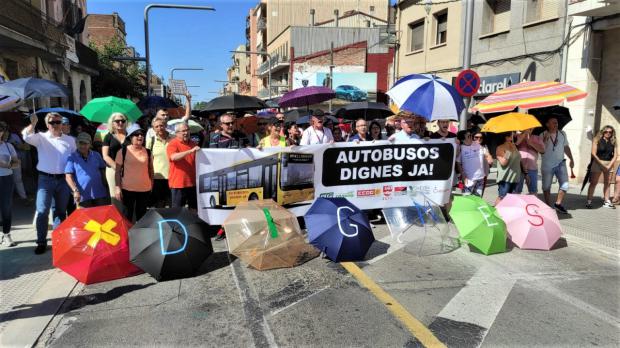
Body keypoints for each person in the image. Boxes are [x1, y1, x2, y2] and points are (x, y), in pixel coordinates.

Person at [22, 112, 76, 254]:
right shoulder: (41, 137)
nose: (55, 125)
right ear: (47, 124)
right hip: (45, 179)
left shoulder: (70, 140)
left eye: (58, 122)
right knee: (42, 211)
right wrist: (33, 124)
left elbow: (75, 159)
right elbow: (26, 136)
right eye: (52, 122)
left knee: (60, 212)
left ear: (62, 124)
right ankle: (41, 242)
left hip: (63, 180)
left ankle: (59, 241)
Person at [115, 125, 153, 222]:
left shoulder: (148, 152)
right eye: (136, 134)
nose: (140, 136)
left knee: (142, 216)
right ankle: (127, 236)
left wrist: (151, 184)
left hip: (144, 189)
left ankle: (140, 236)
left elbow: (151, 169)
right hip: (128, 189)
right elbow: (118, 171)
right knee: (127, 215)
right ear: (130, 137)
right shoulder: (123, 151)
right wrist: (118, 187)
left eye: (142, 134)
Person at [65, 133, 109, 208]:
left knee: (100, 218)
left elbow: (103, 171)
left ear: (90, 144)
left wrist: (107, 187)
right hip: (82, 196)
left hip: (100, 194)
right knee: (85, 219)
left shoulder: (96, 155)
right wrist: (75, 190)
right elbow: (68, 176)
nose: (82, 146)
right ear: (76, 143)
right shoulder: (72, 157)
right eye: (80, 143)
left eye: (85, 143)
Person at [541, 117, 574, 214]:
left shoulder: (562, 134)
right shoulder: (542, 134)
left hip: (560, 163)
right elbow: (541, 150)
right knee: (546, 186)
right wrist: (544, 140)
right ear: (547, 124)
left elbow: (566, 147)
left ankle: (558, 204)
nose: (556, 124)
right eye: (554, 123)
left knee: (565, 184)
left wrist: (572, 159)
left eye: (557, 123)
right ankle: (547, 206)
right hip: (547, 164)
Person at [167, 122, 200, 210]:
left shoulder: (193, 143)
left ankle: (193, 224)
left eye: (187, 130)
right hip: (178, 183)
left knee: (194, 210)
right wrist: (190, 151)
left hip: (192, 183)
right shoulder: (173, 143)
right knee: (177, 211)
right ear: (177, 133)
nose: (186, 133)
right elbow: (173, 157)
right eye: (183, 131)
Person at [586, 126, 618, 209]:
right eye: (606, 131)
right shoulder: (597, 139)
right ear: (603, 132)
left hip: (609, 163)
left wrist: (610, 165)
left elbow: (615, 155)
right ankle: (589, 201)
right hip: (597, 162)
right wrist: (602, 164)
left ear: (612, 133)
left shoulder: (614, 141)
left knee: (607, 183)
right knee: (593, 182)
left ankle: (606, 201)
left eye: (610, 132)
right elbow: (593, 153)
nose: (608, 133)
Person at [102, 112, 129, 208]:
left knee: (128, 197)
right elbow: (105, 156)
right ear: (112, 123)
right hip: (112, 170)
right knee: (116, 197)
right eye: (117, 121)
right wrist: (118, 168)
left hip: (129, 171)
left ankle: (130, 221)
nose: (120, 123)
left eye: (123, 121)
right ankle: (118, 220)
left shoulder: (130, 136)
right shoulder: (108, 137)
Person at [146, 116, 174, 208]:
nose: (159, 128)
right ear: (153, 129)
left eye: (161, 125)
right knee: (159, 205)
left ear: (165, 125)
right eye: (156, 127)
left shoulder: (173, 139)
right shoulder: (151, 141)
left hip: (172, 176)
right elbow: (149, 160)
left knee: (172, 205)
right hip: (157, 177)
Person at [0, 122, 20, 247]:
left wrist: (8, 164)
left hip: (6, 179)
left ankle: (6, 234)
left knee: (6, 208)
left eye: (1, 129)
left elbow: (17, 162)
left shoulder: (8, 146)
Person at [456, 130, 493, 196]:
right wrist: (463, 175)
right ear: (463, 139)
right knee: (467, 199)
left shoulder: (477, 144)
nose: (471, 137)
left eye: (471, 135)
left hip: (480, 178)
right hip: (468, 179)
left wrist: (489, 157)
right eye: (469, 136)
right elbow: (458, 163)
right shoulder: (460, 148)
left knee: (478, 199)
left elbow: (486, 153)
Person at [495, 132, 523, 205]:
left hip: (515, 177)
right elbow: (503, 163)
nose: (514, 135)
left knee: (513, 199)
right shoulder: (500, 148)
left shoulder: (513, 146)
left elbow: (519, 160)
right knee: (502, 198)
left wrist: (525, 172)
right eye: (512, 134)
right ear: (506, 137)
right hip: (505, 178)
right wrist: (509, 151)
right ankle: (496, 213)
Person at [515, 128, 544, 194]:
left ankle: (532, 204)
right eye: (528, 128)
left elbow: (542, 150)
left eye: (531, 128)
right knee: (516, 191)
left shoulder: (537, 138)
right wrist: (524, 134)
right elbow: (515, 145)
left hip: (532, 168)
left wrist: (531, 143)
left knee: (533, 192)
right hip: (519, 168)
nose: (529, 129)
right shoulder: (517, 136)